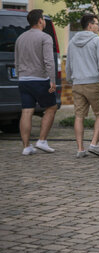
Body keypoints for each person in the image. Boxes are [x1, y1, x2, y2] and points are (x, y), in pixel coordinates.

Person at [15, 9, 58, 155]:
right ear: (40, 21)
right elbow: (49, 61)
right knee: (52, 108)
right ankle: (42, 140)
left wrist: (20, 76)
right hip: (40, 80)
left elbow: (16, 60)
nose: (44, 22)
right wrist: (52, 80)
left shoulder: (20, 38)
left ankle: (26, 147)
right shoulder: (45, 37)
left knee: (26, 111)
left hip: (23, 80)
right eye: (44, 19)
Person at [66, 13, 99, 158]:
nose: (98, 26)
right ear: (90, 25)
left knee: (79, 116)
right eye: (97, 24)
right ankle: (94, 144)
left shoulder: (72, 42)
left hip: (77, 83)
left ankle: (80, 149)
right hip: (94, 82)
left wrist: (71, 80)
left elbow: (69, 64)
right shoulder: (98, 41)